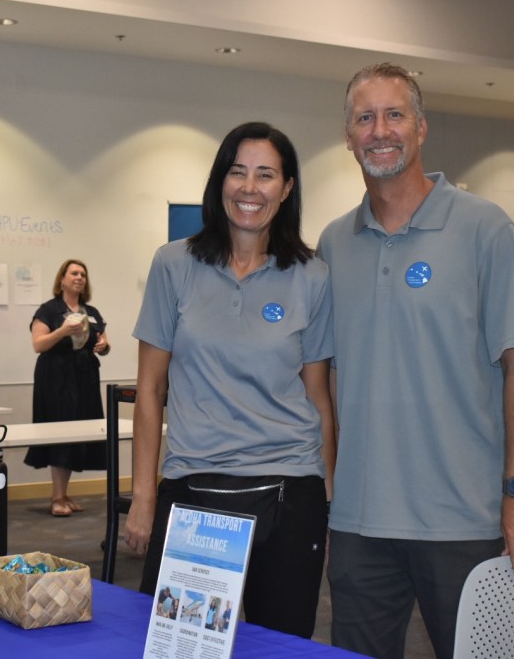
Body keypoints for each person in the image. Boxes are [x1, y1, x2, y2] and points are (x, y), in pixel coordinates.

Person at [316, 62, 514, 659]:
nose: (380, 130)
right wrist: (329, 492)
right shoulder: (333, 244)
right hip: (359, 524)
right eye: (365, 118)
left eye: (394, 114)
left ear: (421, 128)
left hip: (463, 520)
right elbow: (325, 381)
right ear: (348, 136)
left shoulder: (485, 229)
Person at [124, 121, 335, 639]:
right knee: (180, 645)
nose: (250, 187)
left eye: (266, 175)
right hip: (194, 489)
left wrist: (328, 500)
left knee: (282, 648)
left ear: (286, 188)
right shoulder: (173, 265)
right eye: (238, 172)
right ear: (220, 180)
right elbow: (150, 390)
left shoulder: (313, 276)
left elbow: (318, 396)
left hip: (290, 490)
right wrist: (144, 497)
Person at [24, 259, 111, 517]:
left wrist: (104, 346)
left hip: (85, 377)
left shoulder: (91, 311)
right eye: (74, 273)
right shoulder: (48, 310)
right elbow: (38, 345)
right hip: (56, 378)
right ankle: (57, 497)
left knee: (77, 434)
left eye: (83, 274)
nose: (79, 277)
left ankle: (63, 493)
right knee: (61, 433)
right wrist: (61, 332)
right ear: (62, 279)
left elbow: (104, 342)